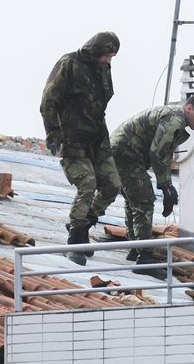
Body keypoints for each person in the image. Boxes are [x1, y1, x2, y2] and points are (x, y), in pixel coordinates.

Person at [40, 31, 122, 266]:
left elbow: (101, 102)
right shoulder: (69, 63)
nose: (109, 60)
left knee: (112, 185)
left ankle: (84, 223)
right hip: (72, 137)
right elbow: (48, 101)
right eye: (106, 55)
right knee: (87, 184)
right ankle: (75, 238)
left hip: (98, 138)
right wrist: (53, 133)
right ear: (95, 51)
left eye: (112, 56)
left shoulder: (104, 69)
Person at [109, 95, 194, 278]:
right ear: (189, 108)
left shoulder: (176, 120)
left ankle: (136, 249)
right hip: (125, 153)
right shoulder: (175, 119)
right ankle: (145, 258)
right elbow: (157, 153)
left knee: (134, 199)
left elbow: (163, 155)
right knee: (144, 200)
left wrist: (167, 186)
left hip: (125, 153)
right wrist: (165, 186)